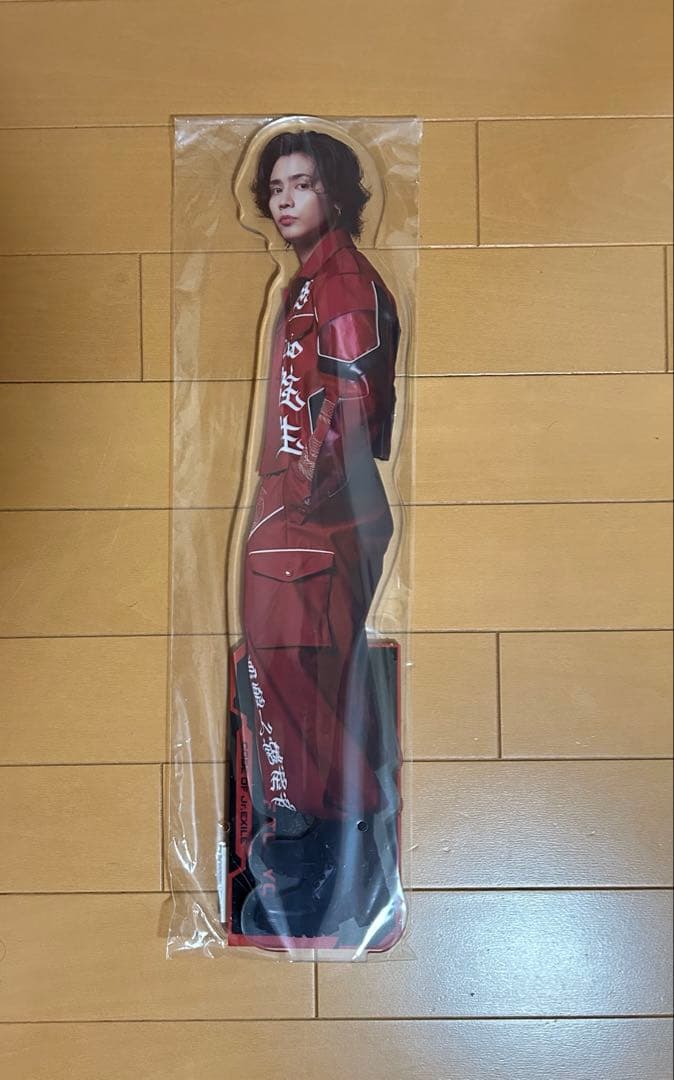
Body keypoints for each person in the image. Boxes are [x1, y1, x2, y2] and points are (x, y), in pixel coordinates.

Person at [239, 128, 402, 943]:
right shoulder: (312, 283)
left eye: (301, 184)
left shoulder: (340, 283)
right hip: (302, 521)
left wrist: (299, 498)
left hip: (313, 525)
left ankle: (337, 854)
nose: (284, 199)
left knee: (300, 689)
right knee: (293, 688)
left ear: (334, 192)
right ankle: (324, 851)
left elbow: (354, 403)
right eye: (275, 187)